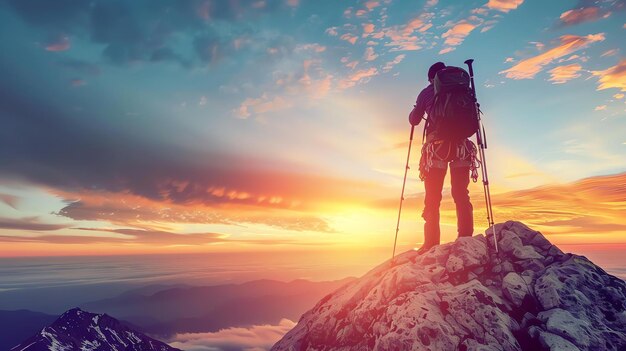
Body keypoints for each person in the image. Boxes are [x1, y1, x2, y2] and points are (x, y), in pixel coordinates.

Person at [408, 62, 474, 254]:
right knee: (461, 194)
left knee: (433, 197)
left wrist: (416, 108)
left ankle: (431, 243)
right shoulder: (463, 90)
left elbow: (414, 120)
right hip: (462, 147)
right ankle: (466, 238)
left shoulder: (426, 93)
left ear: (431, 79)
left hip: (437, 148)